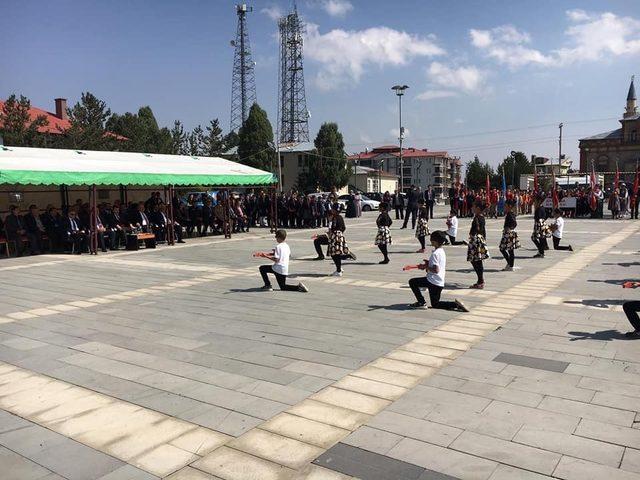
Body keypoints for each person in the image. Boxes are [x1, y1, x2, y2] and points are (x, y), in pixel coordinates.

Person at [407, 230, 469, 311]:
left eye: (431, 239)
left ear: (435, 242)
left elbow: (436, 270)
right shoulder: (441, 251)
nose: (430, 240)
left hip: (432, 281)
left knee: (412, 282)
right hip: (439, 282)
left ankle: (421, 303)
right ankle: (456, 305)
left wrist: (425, 266)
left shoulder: (435, 254)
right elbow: (438, 265)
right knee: (435, 304)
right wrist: (428, 263)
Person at [467, 201, 489, 289]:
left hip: (476, 241)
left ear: (478, 208)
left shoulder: (477, 218)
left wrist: (472, 235)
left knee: (475, 260)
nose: (472, 208)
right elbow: (483, 231)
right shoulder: (482, 217)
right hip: (480, 240)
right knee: (477, 260)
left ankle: (480, 281)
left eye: (474, 207)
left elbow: (475, 229)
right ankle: (480, 280)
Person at [499, 199, 520, 271]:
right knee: (507, 250)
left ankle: (510, 265)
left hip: (509, 234)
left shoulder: (510, 214)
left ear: (509, 206)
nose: (504, 207)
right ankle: (510, 264)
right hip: (508, 233)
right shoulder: (510, 213)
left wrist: (509, 228)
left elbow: (515, 223)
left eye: (505, 206)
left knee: (506, 249)